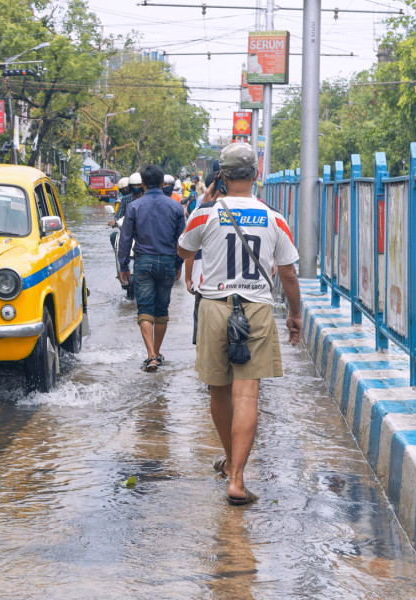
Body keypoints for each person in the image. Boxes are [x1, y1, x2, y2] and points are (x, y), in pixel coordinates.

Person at [176, 143, 302, 506]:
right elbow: (289, 275)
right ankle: (237, 478)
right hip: (257, 308)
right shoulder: (274, 217)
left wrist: (206, 199)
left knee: (218, 391)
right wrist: (294, 314)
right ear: (256, 175)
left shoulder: (206, 214)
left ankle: (231, 460)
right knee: (247, 395)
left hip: (214, 307)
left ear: (222, 176)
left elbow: (183, 252)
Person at [117, 165, 186, 372]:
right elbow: (181, 240)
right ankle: (156, 352)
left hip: (143, 262)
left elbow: (125, 239)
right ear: (163, 184)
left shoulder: (135, 207)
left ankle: (151, 356)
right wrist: (178, 264)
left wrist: (123, 265)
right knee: (161, 310)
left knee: (144, 309)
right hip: (167, 261)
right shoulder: (175, 207)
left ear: (144, 184)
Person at [183, 161, 221, 346]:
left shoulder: (201, 212)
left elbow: (188, 249)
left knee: (203, 335)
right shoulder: (253, 208)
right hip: (241, 288)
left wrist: (188, 278)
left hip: (205, 282)